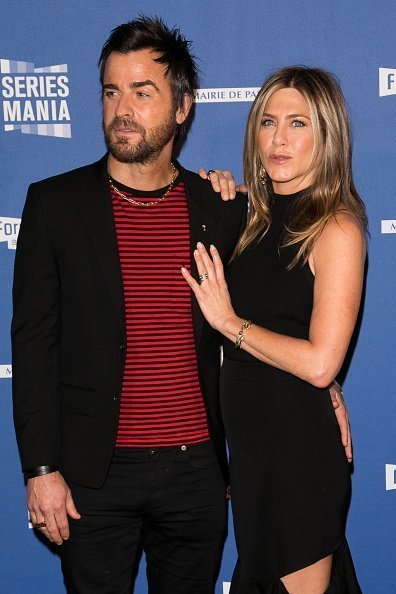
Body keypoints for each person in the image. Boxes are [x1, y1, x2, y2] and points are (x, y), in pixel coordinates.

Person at [11, 16, 247, 594]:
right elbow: (34, 349)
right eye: (112, 91)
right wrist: (41, 471)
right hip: (93, 477)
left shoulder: (221, 209)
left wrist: (329, 389)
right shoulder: (54, 205)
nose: (123, 109)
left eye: (143, 93)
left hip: (198, 473)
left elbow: (265, 322)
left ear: (182, 106)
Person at [182, 66, 366, 593]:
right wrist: (216, 185)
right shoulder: (252, 218)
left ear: (326, 135)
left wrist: (229, 323)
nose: (279, 138)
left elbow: (320, 362)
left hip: (297, 461)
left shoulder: (336, 227)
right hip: (254, 457)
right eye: (267, 121)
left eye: (298, 123)